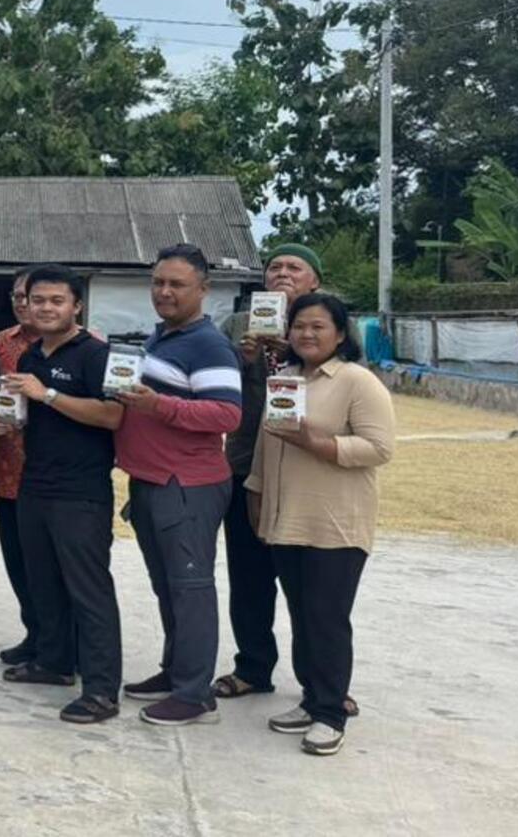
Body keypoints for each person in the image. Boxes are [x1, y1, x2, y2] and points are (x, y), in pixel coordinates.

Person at [248, 293, 395, 756]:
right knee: (301, 616)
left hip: (336, 523)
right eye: (299, 326)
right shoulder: (285, 379)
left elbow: (379, 448)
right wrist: (256, 494)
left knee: (327, 618)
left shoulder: (357, 381)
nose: (307, 334)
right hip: (286, 518)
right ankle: (312, 700)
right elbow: (266, 447)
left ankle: (331, 714)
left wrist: (316, 442)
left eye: (318, 327)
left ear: (339, 333)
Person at [113, 243, 243, 726]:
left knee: (191, 589)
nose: (164, 292)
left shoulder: (208, 345)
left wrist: (159, 406)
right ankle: (176, 671)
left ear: (203, 290)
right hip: (152, 480)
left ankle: (194, 695)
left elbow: (226, 414)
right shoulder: (160, 338)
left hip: (187, 486)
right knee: (168, 586)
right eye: (158, 282)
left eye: (177, 284)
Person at [0, 266, 127, 725]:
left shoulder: (96, 354)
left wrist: (47, 394)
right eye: (38, 300)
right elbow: (36, 411)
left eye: (57, 301)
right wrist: (10, 420)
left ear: (77, 306)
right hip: (35, 482)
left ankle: (102, 690)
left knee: (88, 590)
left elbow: (112, 415)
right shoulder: (31, 356)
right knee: (43, 581)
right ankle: (54, 663)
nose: (46, 308)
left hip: (81, 490)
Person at [213, 243, 324, 703]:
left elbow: (348, 376)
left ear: (314, 280)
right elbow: (214, 385)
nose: (282, 273)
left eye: (294, 267)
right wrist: (241, 359)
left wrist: (296, 351)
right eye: (274, 266)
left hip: (304, 471)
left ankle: (323, 683)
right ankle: (253, 667)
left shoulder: (325, 323)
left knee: (311, 585)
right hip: (244, 464)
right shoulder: (238, 324)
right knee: (249, 577)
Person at [0, 269, 42, 665]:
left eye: (32, 296)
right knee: (19, 563)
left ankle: (64, 644)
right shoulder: (0, 343)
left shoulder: (85, 345)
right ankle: (35, 634)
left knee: (54, 566)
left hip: (56, 475)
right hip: (8, 468)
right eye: (17, 296)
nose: (24, 303)